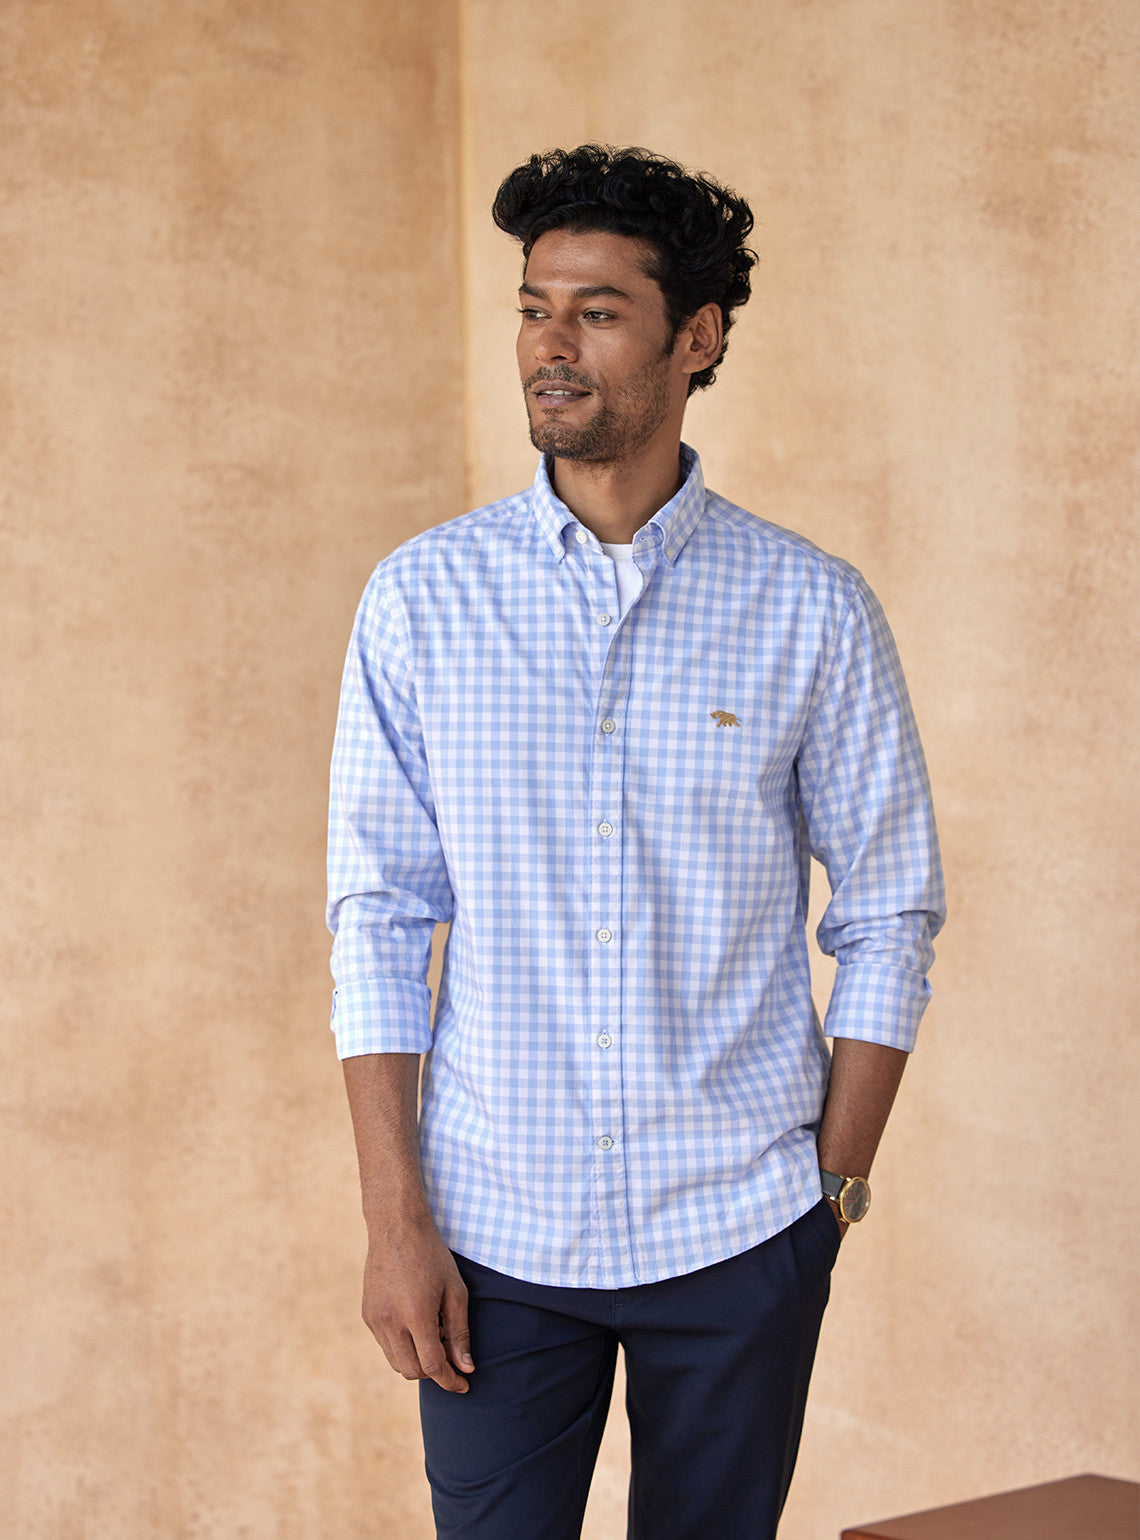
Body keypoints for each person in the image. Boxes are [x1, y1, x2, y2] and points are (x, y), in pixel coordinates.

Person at [327, 145, 945, 1540]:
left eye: (598, 311)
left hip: (740, 1229)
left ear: (697, 338)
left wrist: (829, 1197)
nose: (551, 344)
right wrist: (395, 1222)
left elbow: (890, 910)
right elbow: (378, 919)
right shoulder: (422, 601)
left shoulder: (811, 609)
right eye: (534, 308)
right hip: (491, 1236)